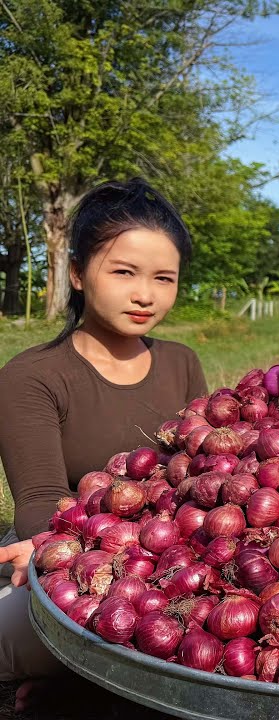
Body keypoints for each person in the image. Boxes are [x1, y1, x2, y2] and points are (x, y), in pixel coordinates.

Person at [0, 178, 207, 709]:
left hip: (177, 563)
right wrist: (69, 555)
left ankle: (80, 685)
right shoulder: (33, 376)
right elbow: (42, 501)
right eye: (123, 272)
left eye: (164, 278)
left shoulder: (182, 362)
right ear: (76, 271)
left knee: (202, 645)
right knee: (36, 637)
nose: (145, 294)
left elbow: (208, 470)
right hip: (73, 566)